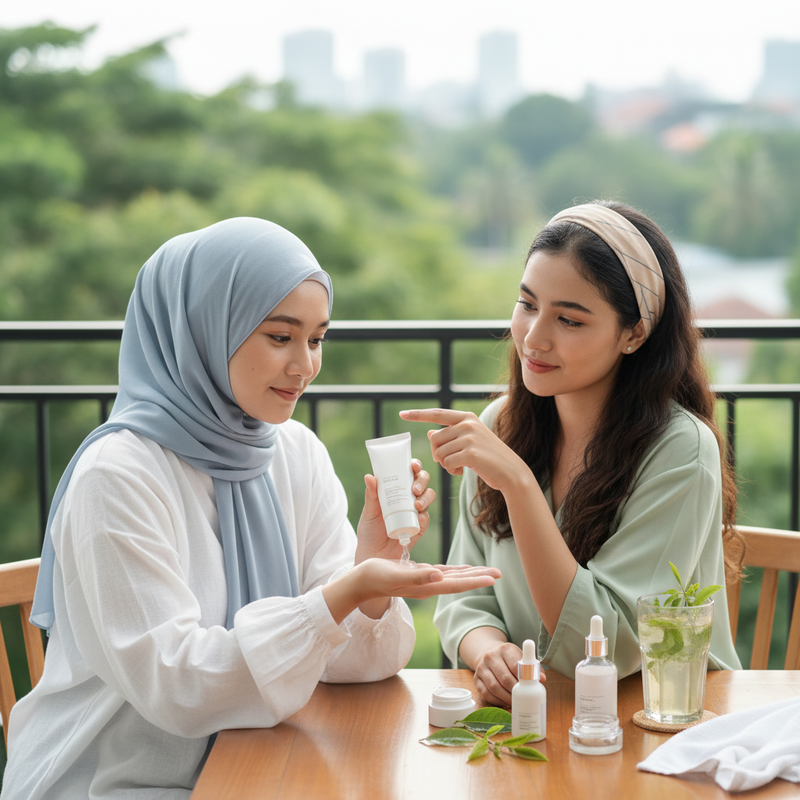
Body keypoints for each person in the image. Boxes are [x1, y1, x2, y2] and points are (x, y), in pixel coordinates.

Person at [1, 218, 500, 799]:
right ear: (207, 329)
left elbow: (355, 666)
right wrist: (342, 593)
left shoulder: (292, 452)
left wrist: (372, 574)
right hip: (116, 779)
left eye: (316, 339)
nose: (305, 366)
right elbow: (178, 685)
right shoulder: (117, 476)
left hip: (261, 761)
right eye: (280, 336)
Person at [400, 201, 742, 708]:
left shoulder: (681, 449)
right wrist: (488, 650)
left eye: (570, 320)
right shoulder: (501, 425)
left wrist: (517, 485)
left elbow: (616, 645)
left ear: (633, 334)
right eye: (528, 304)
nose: (534, 338)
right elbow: (463, 594)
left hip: (657, 720)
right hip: (532, 718)